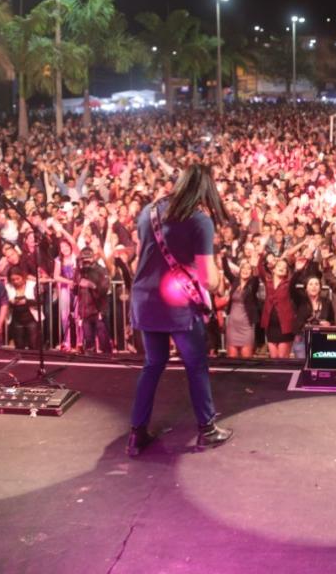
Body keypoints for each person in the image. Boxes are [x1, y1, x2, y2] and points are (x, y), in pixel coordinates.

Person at [127, 164, 233, 456]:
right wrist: (220, 277)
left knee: (153, 363)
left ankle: (136, 434)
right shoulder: (199, 220)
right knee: (195, 364)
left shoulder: (149, 211)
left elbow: (141, 258)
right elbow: (209, 280)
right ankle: (207, 430)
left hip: (144, 300)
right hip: (178, 306)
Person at [75, 247, 111, 355]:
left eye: (88, 258)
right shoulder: (79, 271)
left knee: (103, 337)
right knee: (89, 340)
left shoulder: (101, 270)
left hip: (98, 308)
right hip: (85, 309)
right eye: (84, 259)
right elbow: (75, 290)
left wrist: (92, 285)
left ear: (93, 257)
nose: (86, 261)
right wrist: (76, 284)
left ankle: (108, 358)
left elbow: (104, 289)